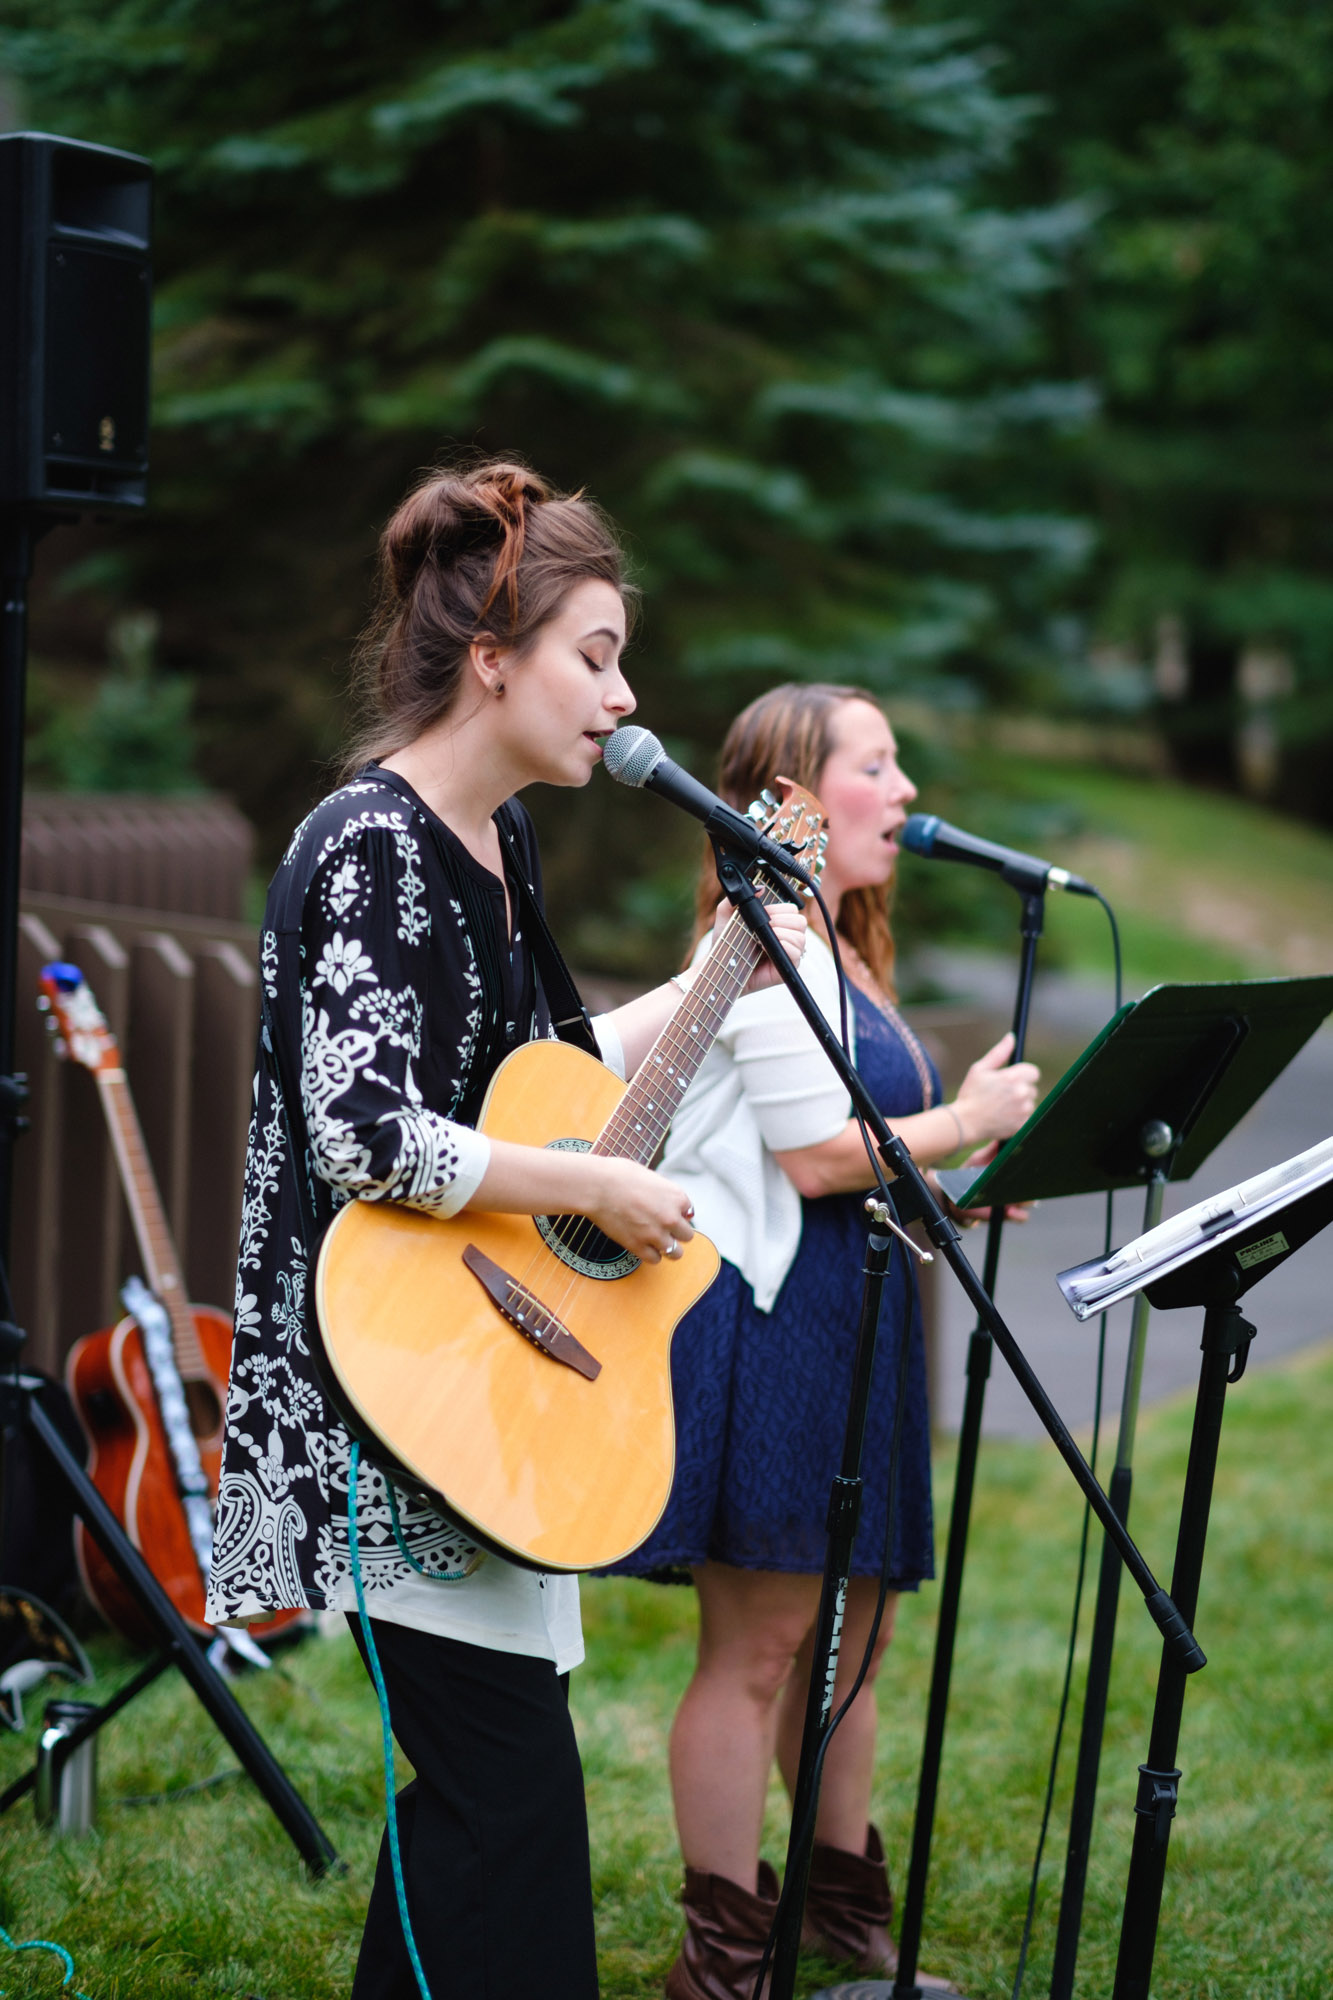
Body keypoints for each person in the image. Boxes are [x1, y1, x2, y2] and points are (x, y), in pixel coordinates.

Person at [203, 461, 804, 2000]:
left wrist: (724, 970)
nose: (622, 694)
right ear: (493, 658)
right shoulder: (366, 844)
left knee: (486, 1813)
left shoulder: (489, 846)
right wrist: (595, 1192)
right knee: (505, 1802)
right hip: (378, 1387)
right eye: (593, 654)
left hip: (469, 1373)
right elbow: (366, 1130)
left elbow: (547, 1086)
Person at [607, 683, 1040, 2000]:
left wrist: (951, 1182)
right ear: (796, 791)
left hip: (858, 1329)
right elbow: (805, 1161)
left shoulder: (843, 950)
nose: (904, 793)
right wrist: (961, 1124)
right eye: (877, 765)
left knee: (858, 1636)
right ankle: (723, 1956)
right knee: (758, 1651)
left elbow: (851, 1152)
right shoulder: (757, 941)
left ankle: (839, 1910)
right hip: (770, 1326)